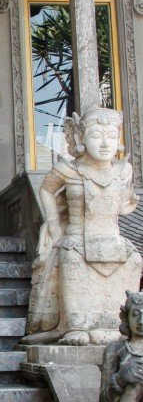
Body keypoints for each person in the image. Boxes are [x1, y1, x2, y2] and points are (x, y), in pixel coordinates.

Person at [26, 106, 140, 346]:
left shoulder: (123, 171)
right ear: (80, 138)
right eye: (97, 136)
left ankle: (115, 323)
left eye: (111, 136)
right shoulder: (69, 170)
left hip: (112, 237)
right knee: (70, 257)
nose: (105, 143)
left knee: (134, 259)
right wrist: (53, 219)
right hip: (78, 238)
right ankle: (75, 326)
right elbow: (46, 189)